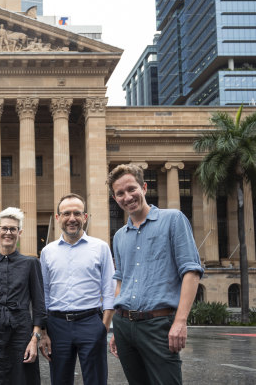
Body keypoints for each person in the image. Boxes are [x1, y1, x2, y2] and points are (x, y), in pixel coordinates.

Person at [107, 164, 203, 385]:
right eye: (120, 193)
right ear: (115, 197)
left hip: (158, 325)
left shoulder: (173, 220)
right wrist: (116, 328)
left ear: (144, 187)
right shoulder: (120, 236)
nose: (127, 197)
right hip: (124, 326)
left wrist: (180, 321)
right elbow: (121, 281)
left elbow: (191, 271)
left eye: (132, 189)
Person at [39, 193, 116, 385]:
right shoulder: (48, 252)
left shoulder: (101, 247)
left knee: (96, 380)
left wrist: (103, 326)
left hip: (91, 322)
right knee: (60, 380)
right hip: (57, 325)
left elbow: (109, 289)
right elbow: (44, 293)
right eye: (66, 214)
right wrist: (45, 332)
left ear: (85, 217)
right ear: (58, 218)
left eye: (77, 213)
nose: (71, 218)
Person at [0, 207, 46, 385]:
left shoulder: (31, 264)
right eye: (4, 228)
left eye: (13, 229)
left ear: (19, 232)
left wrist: (34, 340)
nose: (8, 232)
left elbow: (39, 306)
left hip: (22, 336)